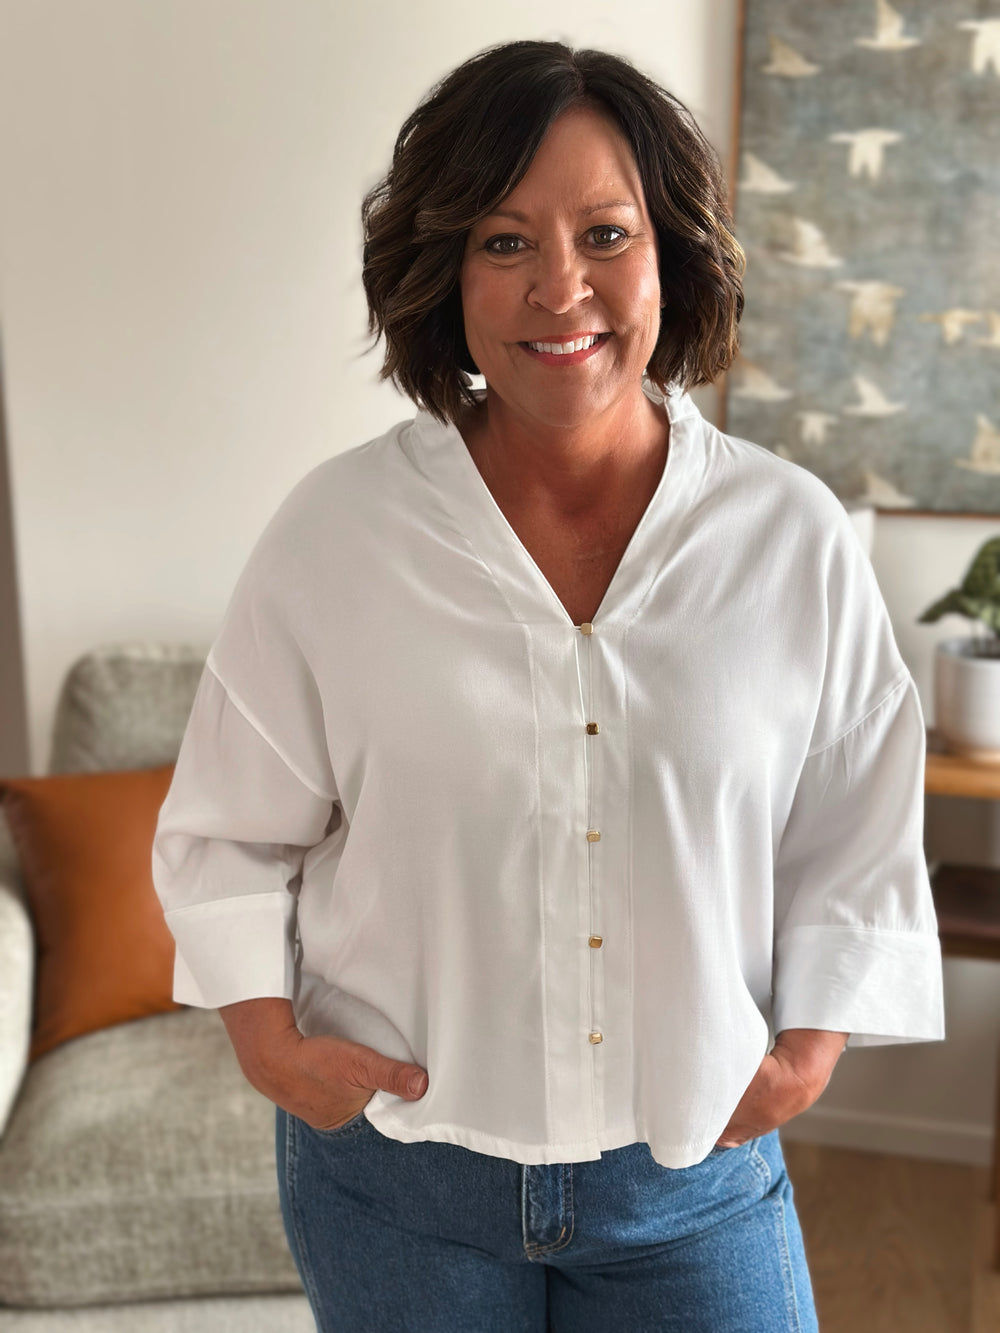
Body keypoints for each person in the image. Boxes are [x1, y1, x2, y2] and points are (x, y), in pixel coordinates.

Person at [152, 39, 944, 1333]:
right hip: (398, 1187)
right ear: (446, 272)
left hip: (691, 1179)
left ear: (671, 254)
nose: (559, 288)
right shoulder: (335, 536)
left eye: (605, 232)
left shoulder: (790, 539)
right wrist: (266, 1040)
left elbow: (856, 806)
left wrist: (809, 1049)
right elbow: (228, 827)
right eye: (504, 241)